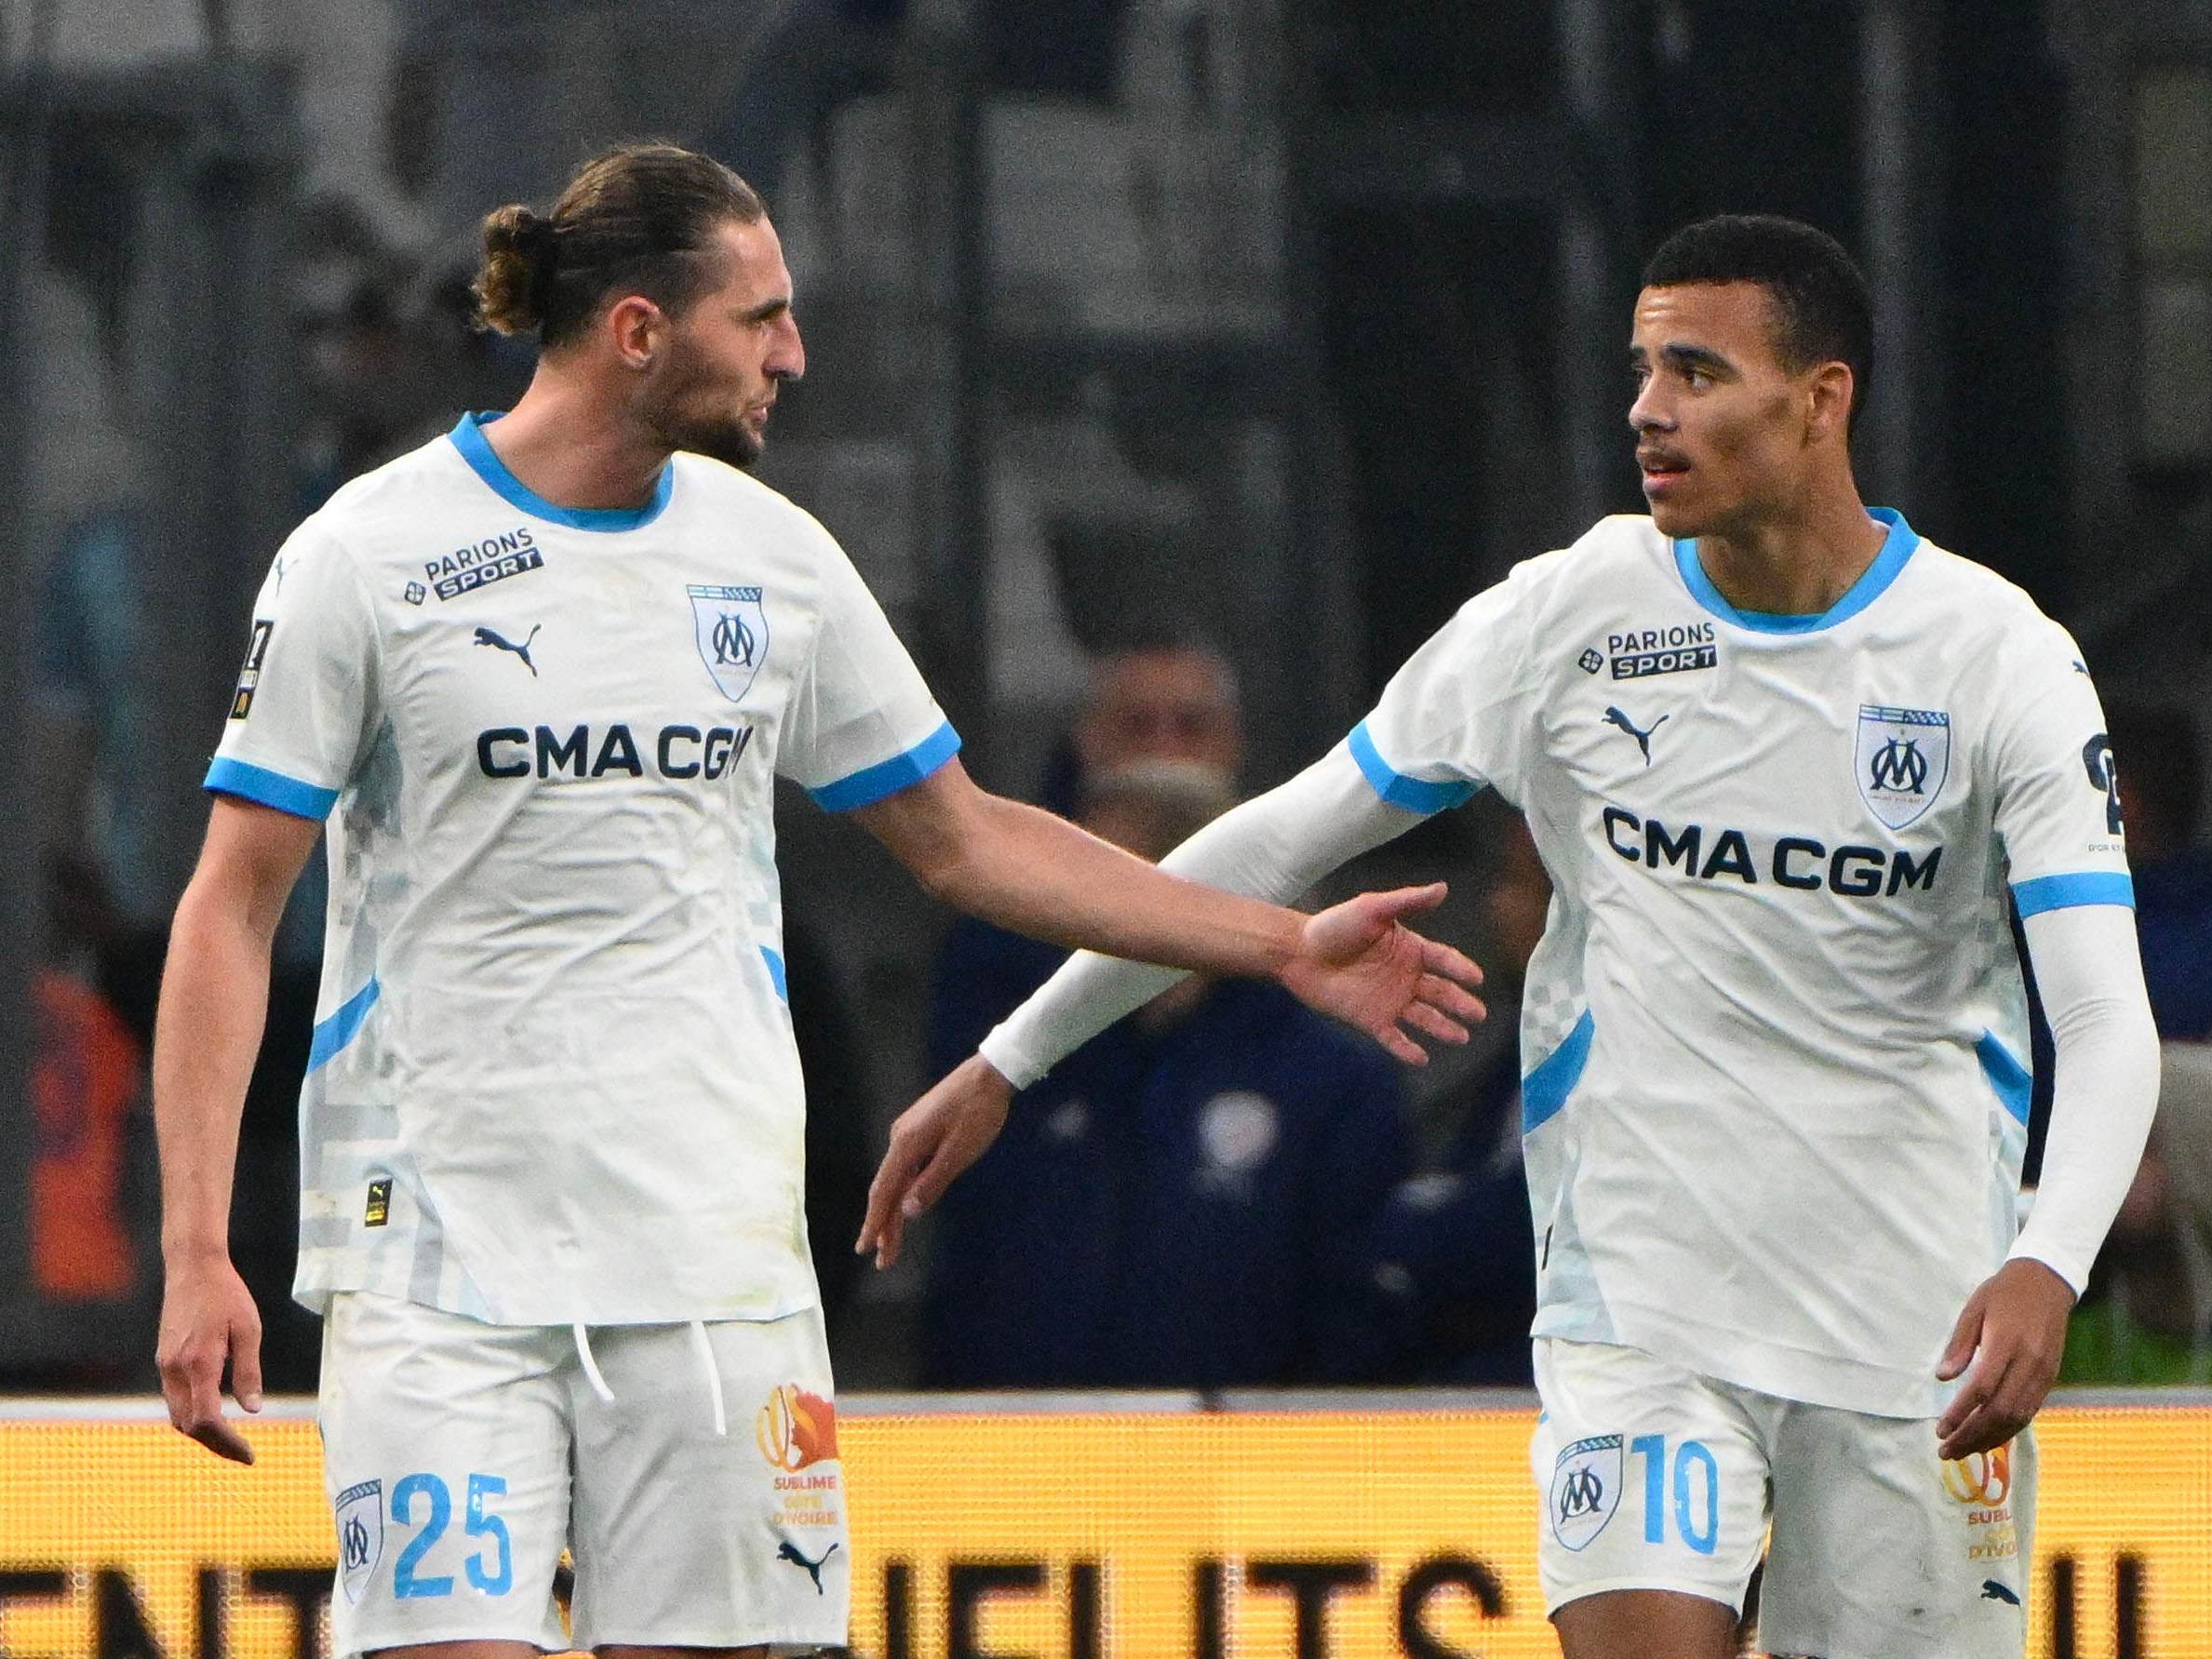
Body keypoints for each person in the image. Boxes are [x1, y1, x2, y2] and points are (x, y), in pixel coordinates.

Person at [150, 143, 1485, 1659]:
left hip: (713, 1275)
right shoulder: (365, 556)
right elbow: (229, 908)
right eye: (763, 316)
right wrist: (201, 1245)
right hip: (436, 1262)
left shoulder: (770, 561)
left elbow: (969, 838)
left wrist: (1277, 941)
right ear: (641, 330)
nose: (794, 352)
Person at [860, 215, 2161, 1659]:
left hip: (1916, 1327)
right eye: (1638, 367)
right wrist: (1011, 1057)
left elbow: (2104, 1018)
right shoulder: (1568, 616)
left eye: (1696, 370)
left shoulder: (1993, 657)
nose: (1647, 409)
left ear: (1820, 397)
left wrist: (2047, 1256)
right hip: (1643, 1308)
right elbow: (1280, 837)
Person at [921, 759, 1410, 1388]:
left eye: (1091, 876)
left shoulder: (1329, 1077)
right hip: (1016, 1457)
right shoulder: (1012, 1059)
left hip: (1251, 1465)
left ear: (1192, 885)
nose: (1058, 903)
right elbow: (965, 1260)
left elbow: (1357, 1314)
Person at [927, 637, 1244, 1078]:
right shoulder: (1006, 925)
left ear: (1231, 744)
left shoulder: (1286, 920)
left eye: (1190, 726)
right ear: (1088, 742)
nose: (1163, 750)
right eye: (1136, 725)